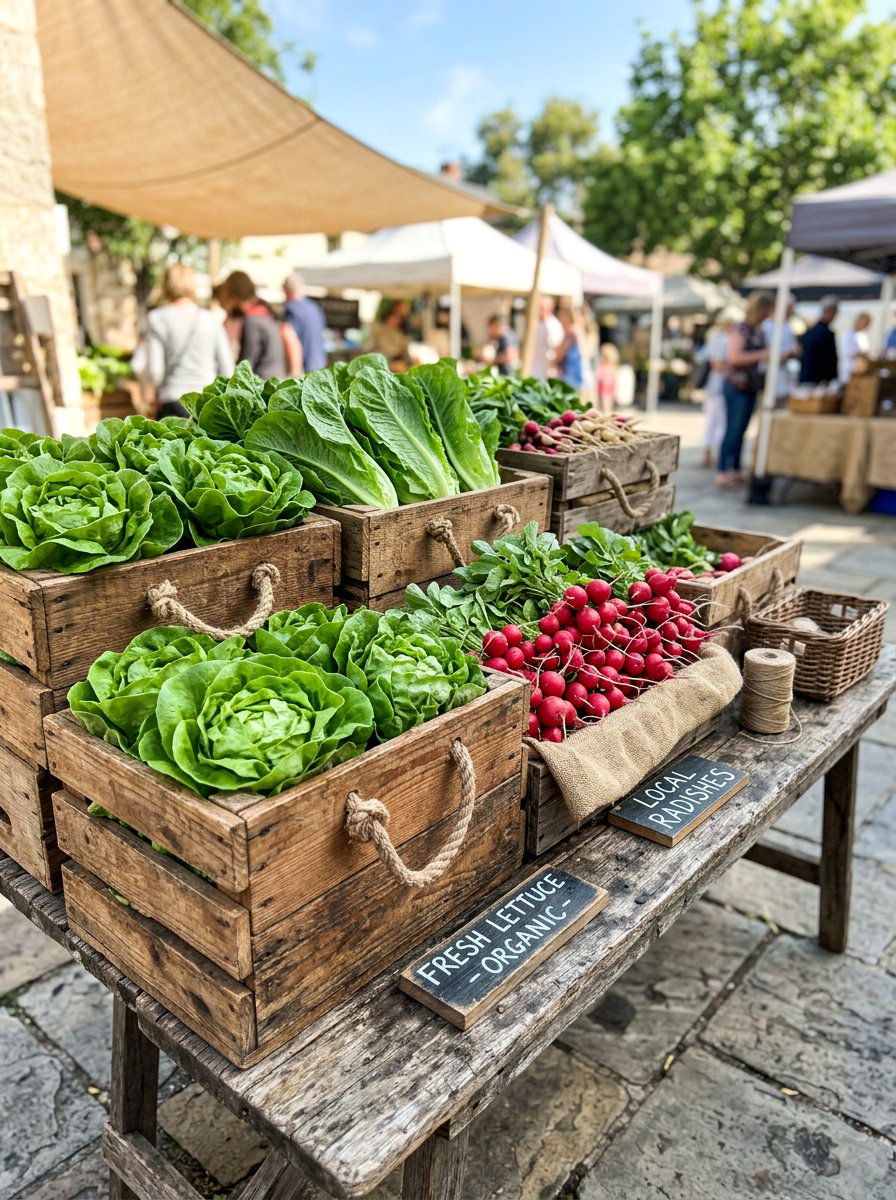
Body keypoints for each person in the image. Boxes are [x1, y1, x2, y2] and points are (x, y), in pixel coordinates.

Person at [145, 263, 233, 418]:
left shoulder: (157, 318)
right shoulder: (211, 319)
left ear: (165, 284)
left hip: (172, 402)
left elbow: (155, 373)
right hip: (207, 403)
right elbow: (227, 370)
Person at [718, 291, 775, 487]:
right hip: (737, 386)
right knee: (732, 429)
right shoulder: (741, 330)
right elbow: (734, 358)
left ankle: (735, 468)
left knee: (742, 430)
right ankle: (723, 469)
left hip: (750, 386)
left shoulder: (758, 330)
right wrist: (763, 354)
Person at [219, 271, 287, 379]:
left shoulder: (252, 320)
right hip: (276, 378)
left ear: (233, 295)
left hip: (263, 382)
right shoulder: (265, 311)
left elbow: (248, 361)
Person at [701, 307, 740, 468]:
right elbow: (716, 363)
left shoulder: (720, 338)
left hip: (719, 385)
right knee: (716, 421)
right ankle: (710, 453)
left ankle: (711, 453)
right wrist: (733, 373)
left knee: (716, 421)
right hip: (719, 386)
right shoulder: (720, 338)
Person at [283, 272, 328, 372]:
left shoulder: (291, 309)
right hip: (319, 362)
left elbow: (290, 339)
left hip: (303, 365)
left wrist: (293, 371)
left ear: (285, 290)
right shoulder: (314, 307)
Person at [761, 293, 798, 403]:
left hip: (785, 382)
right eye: (788, 309)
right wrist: (789, 353)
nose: (790, 313)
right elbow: (773, 355)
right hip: (769, 381)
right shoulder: (767, 326)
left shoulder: (787, 326)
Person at [799, 295, 839, 384]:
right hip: (818, 382)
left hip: (808, 379)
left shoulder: (810, 331)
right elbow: (829, 361)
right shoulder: (825, 333)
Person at [366, 299, 410, 367]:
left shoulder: (398, 329)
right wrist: (398, 350)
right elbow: (386, 348)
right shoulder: (381, 330)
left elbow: (404, 344)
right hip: (383, 362)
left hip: (395, 360)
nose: (398, 320)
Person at [530, 296, 563, 378]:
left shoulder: (553, 325)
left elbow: (558, 348)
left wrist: (553, 365)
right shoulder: (535, 322)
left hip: (545, 370)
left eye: (541, 307)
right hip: (533, 367)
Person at [555, 307, 584, 389]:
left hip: (571, 371)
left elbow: (561, 352)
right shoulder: (575, 330)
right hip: (572, 370)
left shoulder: (571, 331)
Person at [840, 312, 872, 381]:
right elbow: (847, 352)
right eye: (865, 324)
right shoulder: (848, 335)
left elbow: (866, 352)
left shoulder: (863, 336)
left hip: (860, 370)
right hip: (849, 369)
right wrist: (861, 353)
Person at [596, 342, 620, 415]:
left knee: (605, 408)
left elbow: (599, 377)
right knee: (608, 407)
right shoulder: (613, 367)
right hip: (609, 391)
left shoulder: (603, 367)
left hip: (604, 391)